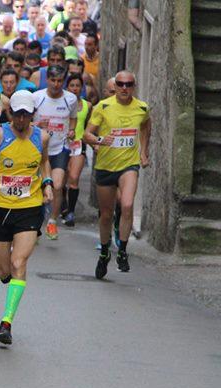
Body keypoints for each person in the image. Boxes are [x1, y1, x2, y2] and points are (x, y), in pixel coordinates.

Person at [0, 90, 53, 346]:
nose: (22, 119)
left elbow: (44, 162)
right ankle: (12, 284)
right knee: (3, 270)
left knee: (19, 262)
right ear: (11, 114)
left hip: (29, 207)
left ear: (32, 115)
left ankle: (6, 322)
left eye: (26, 115)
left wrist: (47, 183)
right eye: (18, 114)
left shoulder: (43, 137)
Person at [82, 70, 151, 278]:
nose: (124, 88)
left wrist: (144, 151)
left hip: (128, 165)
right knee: (106, 215)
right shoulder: (103, 107)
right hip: (105, 166)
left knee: (128, 205)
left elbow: (147, 126)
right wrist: (100, 141)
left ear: (133, 87)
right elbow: (86, 134)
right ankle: (104, 253)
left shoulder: (142, 108)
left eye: (128, 84)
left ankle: (122, 250)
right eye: (120, 84)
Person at [32, 65, 78, 240]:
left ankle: (52, 221)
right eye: (53, 80)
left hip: (60, 148)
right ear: (47, 80)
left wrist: (72, 130)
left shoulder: (71, 99)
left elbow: (73, 117)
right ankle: (34, 225)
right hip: (38, 149)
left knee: (57, 185)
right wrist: (37, 126)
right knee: (36, 188)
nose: (56, 84)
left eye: (60, 81)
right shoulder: (37, 98)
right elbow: (25, 122)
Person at [61, 72, 91, 226]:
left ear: (82, 88)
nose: (74, 88)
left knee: (73, 178)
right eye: (71, 85)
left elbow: (90, 128)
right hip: (62, 145)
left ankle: (71, 212)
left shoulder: (87, 105)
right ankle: (64, 205)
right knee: (62, 179)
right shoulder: (61, 104)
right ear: (67, 87)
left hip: (79, 145)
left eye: (77, 86)